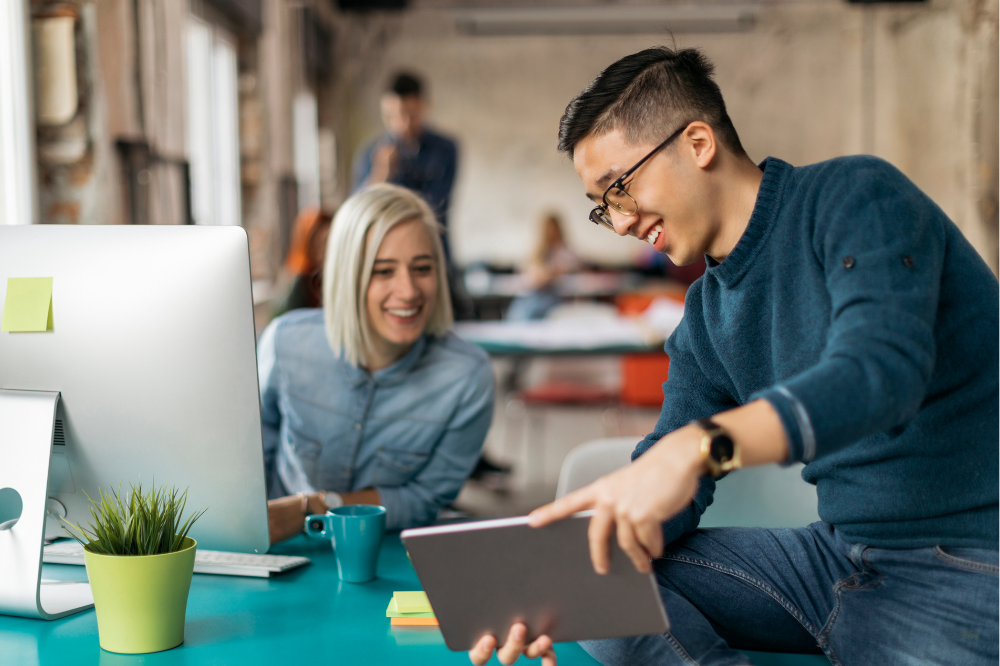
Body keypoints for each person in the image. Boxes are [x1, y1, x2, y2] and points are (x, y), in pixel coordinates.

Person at [470, 47, 998, 666]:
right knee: (599, 592)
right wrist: (558, 578)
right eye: (602, 205)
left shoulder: (857, 196)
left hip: (965, 561)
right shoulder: (704, 316)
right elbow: (672, 476)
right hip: (837, 559)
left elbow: (880, 375)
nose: (619, 221)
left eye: (621, 187)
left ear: (697, 143)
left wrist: (701, 448)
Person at [257, 184, 495, 543]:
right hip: (282, 549)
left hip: (389, 553)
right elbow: (252, 461)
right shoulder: (285, 343)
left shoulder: (466, 378)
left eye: (422, 268)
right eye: (383, 271)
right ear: (346, 276)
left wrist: (316, 507)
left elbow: (425, 498)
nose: (409, 290)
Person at [353, 72, 459, 265]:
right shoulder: (371, 152)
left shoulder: (445, 149)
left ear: (424, 106)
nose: (403, 123)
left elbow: (438, 205)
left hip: (434, 250)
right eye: (393, 115)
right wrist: (381, 173)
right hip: (385, 252)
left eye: (410, 114)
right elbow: (358, 210)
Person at [506, 212, 584, 321]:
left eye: (554, 229)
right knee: (517, 311)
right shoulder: (537, 251)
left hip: (555, 295)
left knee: (532, 312)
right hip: (533, 293)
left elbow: (570, 267)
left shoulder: (565, 251)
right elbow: (527, 270)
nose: (551, 232)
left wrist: (550, 274)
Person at [271, 208, 332, 318]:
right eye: (320, 245)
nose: (326, 252)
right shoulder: (296, 283)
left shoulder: (335, 276)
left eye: (330, 243)